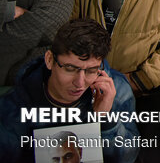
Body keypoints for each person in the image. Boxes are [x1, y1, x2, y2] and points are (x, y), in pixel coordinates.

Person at [0, 19, 140, 163]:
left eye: (91, 70)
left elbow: (128, 157)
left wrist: (105, 119)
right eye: (70, 68)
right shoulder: (16, 102)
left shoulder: (116, 89)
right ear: (49, 60)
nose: (79, 83)